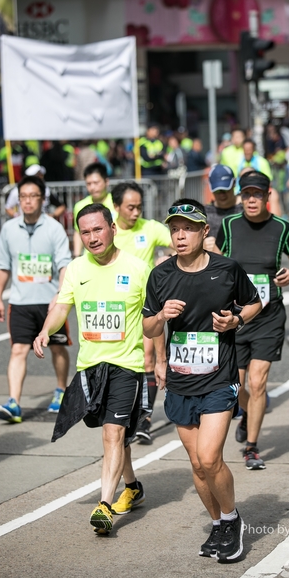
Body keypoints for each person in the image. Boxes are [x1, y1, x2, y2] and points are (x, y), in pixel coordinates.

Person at [142, 198, 262, 561]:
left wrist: (236, 321)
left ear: (204, 231)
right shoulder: (161, 275)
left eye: (188, 229)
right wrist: (161, 316)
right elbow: (148, 327)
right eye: (175, 229)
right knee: (196, 464)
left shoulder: (226, 269)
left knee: (210, 458)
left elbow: (255, 302)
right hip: (181, 381)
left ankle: (232, 519)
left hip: (218, 378)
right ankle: (217, 523)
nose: (180, 236)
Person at [33, 203, 150, 535]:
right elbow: (61, 306)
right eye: (85, 232)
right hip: (91, 366)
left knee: (112, 432)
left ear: (112, 228)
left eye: (98, 229)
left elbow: (153, 317)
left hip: (126, 364)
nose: (92, 237)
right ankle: (133, 487)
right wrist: (45, 331)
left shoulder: (138, 268)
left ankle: (105, 505)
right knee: (117, 435)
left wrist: (156, 357)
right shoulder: (76, 268)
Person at [216, 171, 289, 469]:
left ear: (268, 196)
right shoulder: (229, 225)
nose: (251, 200)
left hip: (269, 316)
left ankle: (251, 447)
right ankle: (247, 416)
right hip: (237, 317)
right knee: (236, 384)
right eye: (247, 194)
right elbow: (215, 258)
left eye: (257, 194)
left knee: (257, 382)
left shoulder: (282, 227)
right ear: (241, 197)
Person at [0, 175, 72, 422]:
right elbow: (3, 266)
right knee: (18, 350)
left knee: (57, 347)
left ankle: (60, 390)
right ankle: (14, 402)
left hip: (50, 303)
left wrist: (60, 294)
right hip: (20, 302)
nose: (27, 201)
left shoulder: (54, 228)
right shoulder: (9, 229)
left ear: (42, 199)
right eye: (23, 197)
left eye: (33, 196)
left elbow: (64, 264)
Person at [112, 181, 173, 443]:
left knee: (148, 360)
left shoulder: (150, 228)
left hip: (146, 306)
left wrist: (168, 257)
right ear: (116, 207)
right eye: (130, 207)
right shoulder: (109, 232)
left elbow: (180, 242)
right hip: (116, 309)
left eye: (139, 207)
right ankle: (121, 411)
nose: (136, 212)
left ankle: (144, 420)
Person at [72, 162, 115, 258]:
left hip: (113, 256)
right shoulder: (79, 206)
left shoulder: (117, 203)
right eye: (88, 184)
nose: (92, 187)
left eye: (96, 183)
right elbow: (78, 232)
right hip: (90, 258)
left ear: (106, 181)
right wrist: (77, 255)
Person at [203, 164, 242, 250]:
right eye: (217, 191)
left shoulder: (247, 209)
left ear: (234, 183)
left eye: (225, 189)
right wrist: (201, 245)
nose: (221, 194)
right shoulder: (205, 213)